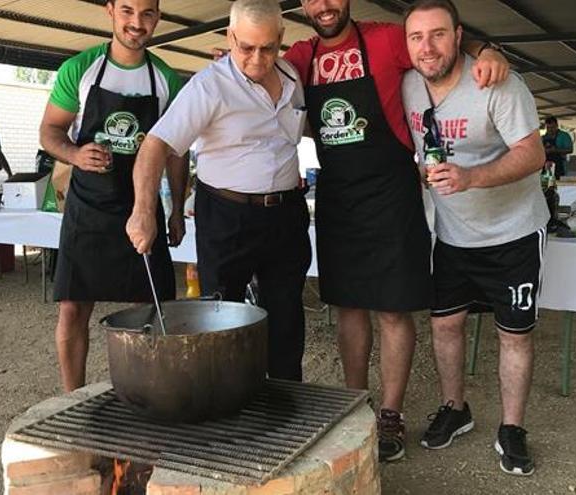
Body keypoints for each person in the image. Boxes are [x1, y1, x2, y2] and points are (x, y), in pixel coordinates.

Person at [283, 0, 510, 462]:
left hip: (391, 191)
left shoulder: (387, 38)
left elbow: (444, 45)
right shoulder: (301, 56)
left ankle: (389, 413)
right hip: (338, 196)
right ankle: (353, 404)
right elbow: (263, 73)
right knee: (348, 305)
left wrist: (490, 50)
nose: (324, 6)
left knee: (392, 310)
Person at [401, 0, 548, 476]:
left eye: (438, 34)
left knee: (514, 335)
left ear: (459, 35)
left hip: (513, 232)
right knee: (444, 325)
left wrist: (472, 178)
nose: (427, 46)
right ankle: (455, 408)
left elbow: (532, 154)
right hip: (451, 236)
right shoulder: (407, 86)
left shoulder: (496, 82)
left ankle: (512, 429)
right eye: (417, 36)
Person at [127, 0, 311, 381]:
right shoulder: (209, 85)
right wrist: (143, 209)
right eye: (245, 47)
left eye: (267, 48)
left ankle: (287, 403)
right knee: (222, 317)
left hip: (285, 214)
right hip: (227, 216)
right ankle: (225, 401)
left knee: (287, 314)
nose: (257, 59)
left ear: (281, 39)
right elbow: (156, 144)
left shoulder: (292, 76)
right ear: (229, 37)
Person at [39, 0, 187, 392]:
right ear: (110, 11)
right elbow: (49, 132)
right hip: (87, 207)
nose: (136, 23)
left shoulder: (165, 79)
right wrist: (73, 153)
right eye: (127, 11)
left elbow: (176, 152)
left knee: (152, 311)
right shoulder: (80, 69)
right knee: (72, 307)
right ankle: (72, 398)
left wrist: (175, 213)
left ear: (157, 17)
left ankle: (146, 395)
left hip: (142, 207)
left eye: (147, 13)